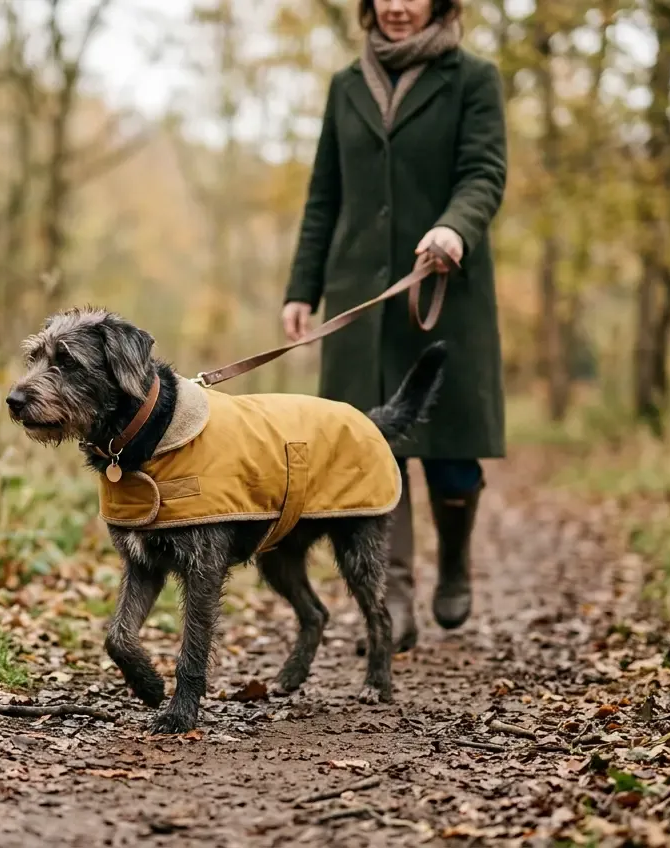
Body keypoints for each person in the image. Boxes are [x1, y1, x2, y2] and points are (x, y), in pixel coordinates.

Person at [281, 0, 507, 653]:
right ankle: (395, 600)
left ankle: (456, 562)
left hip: (443, 288)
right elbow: (324, 193)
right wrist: (304, 287)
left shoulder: (472, 78)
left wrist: (454, 228)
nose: (398, 6)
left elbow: (484, 173)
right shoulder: (346, 84)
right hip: (362, 298)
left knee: (452, 455)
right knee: (375, 452)